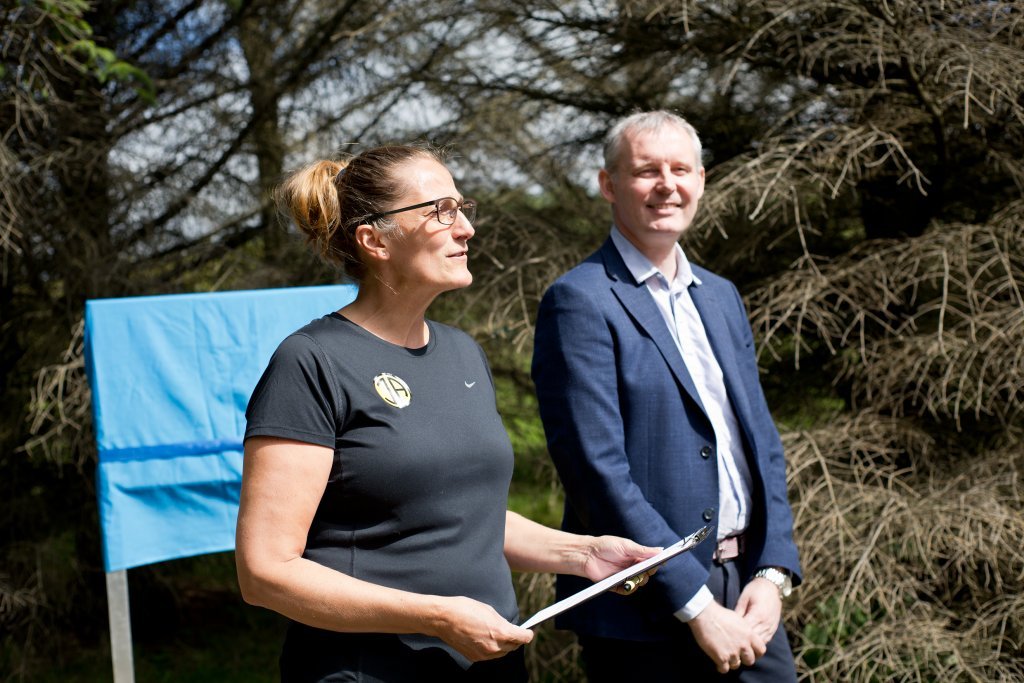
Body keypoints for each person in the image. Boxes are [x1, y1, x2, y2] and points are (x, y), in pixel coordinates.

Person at [234, 143, 660, 683]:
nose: (465, 229)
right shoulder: (312, 361)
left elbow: (458, 515)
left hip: (491, 664)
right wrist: (436, 616)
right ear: (374, 239)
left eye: (461, 207)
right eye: (440, 210)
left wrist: (583, 554)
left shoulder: (461, 351)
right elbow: (266, 572)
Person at [531, 111, 803, 681]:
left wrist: (773, 573)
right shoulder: (579, 301)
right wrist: (696, 604)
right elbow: (596, 473)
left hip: (748, 592)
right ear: (609, 185)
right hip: (646, 613)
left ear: (700, 180)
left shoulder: (722, 296)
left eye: (680, 169)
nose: (667, 185)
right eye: (646, 171)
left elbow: (762, 445)